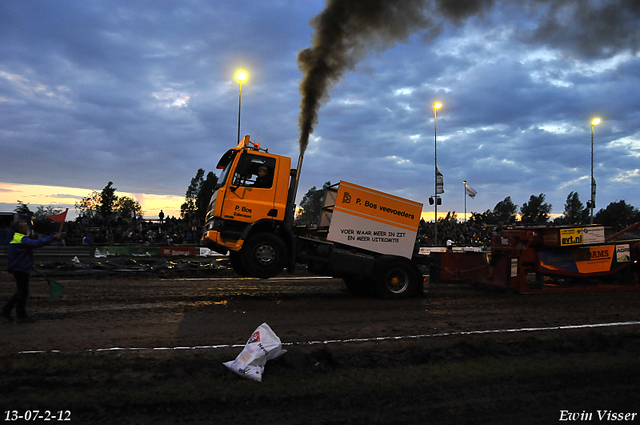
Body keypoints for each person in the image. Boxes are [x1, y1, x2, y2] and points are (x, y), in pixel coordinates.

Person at [1, 220, 61, 324]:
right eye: (25, 226)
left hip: (20, 267)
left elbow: (20, 255)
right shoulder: (22, 239)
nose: (27, 228)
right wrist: (52, 237)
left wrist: (29, 264)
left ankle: (12, 312)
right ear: (20, 229)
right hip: (21, 269)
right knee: (22, 292)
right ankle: (15, 313)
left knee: (22, 291)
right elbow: (37, 243)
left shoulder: (17, 239)